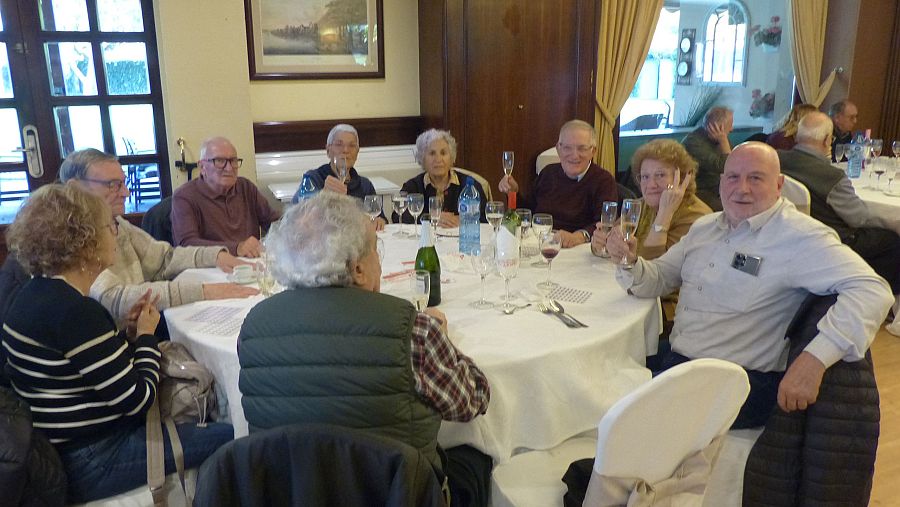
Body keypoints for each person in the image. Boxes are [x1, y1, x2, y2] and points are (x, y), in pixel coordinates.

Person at [608, 142, 893, 429]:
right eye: (733, 177)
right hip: (683, 361)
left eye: (755, 178)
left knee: (616, 408)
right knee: (602, 373)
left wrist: (815, 358)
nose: (741, 188)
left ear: (779, 184)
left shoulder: (798, 237)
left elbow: (873, 289)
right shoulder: (705, 228)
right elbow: (657, 278)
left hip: (740, 382)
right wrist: (629, 261)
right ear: (721, 182)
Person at [239, 192, 492, 506]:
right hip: (395, 495)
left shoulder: (254, 327)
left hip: (289, 495)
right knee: (476, 457)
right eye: (376, 250)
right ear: (357, 269)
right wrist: (442, 338)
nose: (379, 262)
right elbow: (472, 401)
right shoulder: (414, 330)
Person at [1, 184, 233, 502]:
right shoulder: (74, 311)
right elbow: (138, 399)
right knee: (235, 434)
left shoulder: (31, 295)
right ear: (84, 241)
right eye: (112, 226)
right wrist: (148, 336)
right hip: (94, 458)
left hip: (58, 447)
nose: (118, 234)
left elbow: (83, 369)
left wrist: (130, 336)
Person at [57, 148, 257, 326]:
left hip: (138, 329)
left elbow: (164, 259)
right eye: (113, 185)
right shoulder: (72, 239)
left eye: (123, 183)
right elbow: (114, 298)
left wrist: (216, 256)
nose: (126, 192)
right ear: (76, 188)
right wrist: (205, 291)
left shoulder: (119, 225)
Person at [778, 112, 900, 296]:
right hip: (831, 238)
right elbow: (859, 218)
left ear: (797, 136)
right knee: (892, 241)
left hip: (785, 231)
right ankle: (871, 294)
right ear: (827, 140)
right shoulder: (832, 176)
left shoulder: (775, 160)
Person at [499, 120, 617, 248]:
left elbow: (605, 224)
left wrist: (579, 236)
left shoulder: (603, 181)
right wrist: (513, 193)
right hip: (540, 244)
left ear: (593, 151)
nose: (574, 155)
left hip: (577, 250)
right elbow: (528, 213)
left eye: (582, 148)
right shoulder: (548, 173)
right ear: (558, 149)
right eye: (567, 148)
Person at [591, 139, 712, 260]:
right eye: (645, 176)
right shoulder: (642, 204)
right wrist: (602, 243)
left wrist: (664, 214)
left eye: (660, 175)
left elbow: (656, 266)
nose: (651, 185)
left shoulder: (696, 216)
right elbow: (612, 239)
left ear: (682, 178)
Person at [171, 136, 280, 257]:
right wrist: (236, 248)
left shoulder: (246, 187)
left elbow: (273, 223)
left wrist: (296, 225)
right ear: (202, 167)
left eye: (233, 161)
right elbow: (186, 245)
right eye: (219, 161)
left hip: (249, 266)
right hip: (210, 269)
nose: (229, 168)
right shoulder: (185, 196)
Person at [290, 123, 387, 229]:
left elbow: (379, 217)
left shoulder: (365, 184)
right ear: (328, 151)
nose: (345, 150)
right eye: (339, 144)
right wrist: (323, 196)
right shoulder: (313, 178)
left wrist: (379, 221)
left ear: (357, 152)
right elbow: (295, 218)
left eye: (352, 145)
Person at [397, 128, 487, 227]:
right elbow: (398, 216)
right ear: (422, 159)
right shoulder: (412, 186)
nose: (438, 159)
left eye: (443, 153)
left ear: (451, 157)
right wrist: (431, 218)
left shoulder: (470, 185)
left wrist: (464, 220)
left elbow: (485, 217)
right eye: (432, 153)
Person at [681, 106, 734, 211]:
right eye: (730, 125)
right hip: (699, 190)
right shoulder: (694, 143)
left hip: (717, 187)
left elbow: (735, 164)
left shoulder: (719, 139)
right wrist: (723, 141)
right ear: (719, 126)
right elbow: (725, 167)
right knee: (731, 209)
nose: (732, 129)